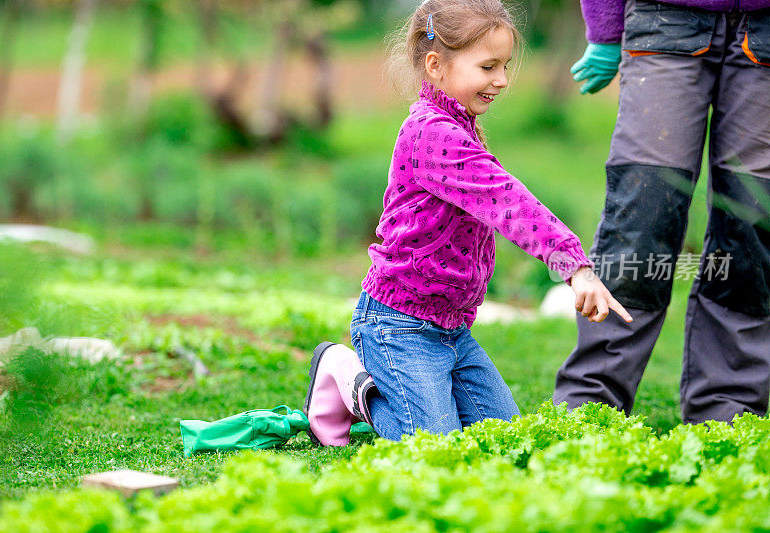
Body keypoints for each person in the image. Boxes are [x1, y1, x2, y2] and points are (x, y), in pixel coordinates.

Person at [303, 0, 632, 446]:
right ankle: (349, 381)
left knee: (507, 442)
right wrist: (574, 265)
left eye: (505, 66)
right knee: (435, 450)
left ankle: (424, 397)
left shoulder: (461, 124)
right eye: (488, 67)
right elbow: (506, 200)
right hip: (398, 326)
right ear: (436, 66)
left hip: (453, 329)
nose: (500, 80)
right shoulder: (431, 132)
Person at [555, 0, 770, 423]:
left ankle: (729, 409)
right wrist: (604, 27)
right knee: (643, 211)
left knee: (753, 219)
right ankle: (592, 402)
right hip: (665, 19)